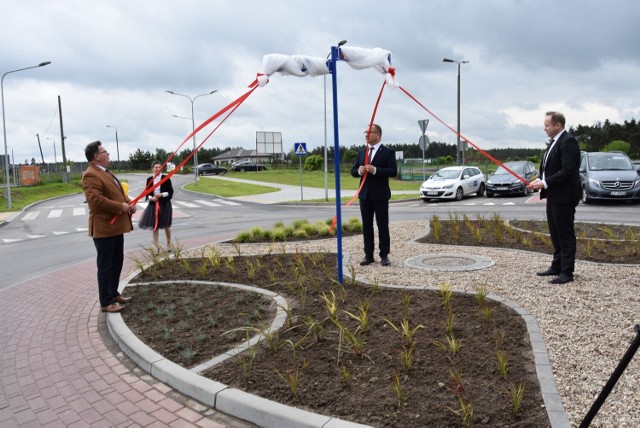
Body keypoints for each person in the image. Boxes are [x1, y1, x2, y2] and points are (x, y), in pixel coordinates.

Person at [82, 141, 136, 313]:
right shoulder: (90, 174)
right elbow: (96, 200)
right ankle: (106, 302)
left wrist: (128, 202)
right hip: (104, 229)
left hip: (115, 228)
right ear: (97, 156)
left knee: (116, 262)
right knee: (106, 266)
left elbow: (118, 192)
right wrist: (121, 207)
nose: (108, 154)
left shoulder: (104, 172)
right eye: (105, 152)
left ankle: (113, 293)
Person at [530, 111, 581, 284]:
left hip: (565, 196)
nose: (544, 129)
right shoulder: (554, 142)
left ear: (557, 125)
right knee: (555, 232)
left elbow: (567, 170)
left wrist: (545, 183)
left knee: (565, 234)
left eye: (547, 125)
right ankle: (557, 266)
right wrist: (540, 180)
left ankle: (567, 273)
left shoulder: (568, 142)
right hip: (554, 195)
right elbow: (550, 168)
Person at [351, 123, 398, 266]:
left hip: (380, 195)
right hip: (364, 195)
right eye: (365, 132)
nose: (366, 134)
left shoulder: (388, 152)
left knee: (382, 225)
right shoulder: (362, 152)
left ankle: (384, 255)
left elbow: (393, 171)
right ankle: (368, 255)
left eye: (370, 132)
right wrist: (359, 171)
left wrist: (376, 170)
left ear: (378, 135)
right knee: (367, 226)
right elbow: (353, 171)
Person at [138, 160, 174, 250]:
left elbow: (170, 192)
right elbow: (147, 193)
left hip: (165, 204)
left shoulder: (166, 178)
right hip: (153, 204)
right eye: (156, 167)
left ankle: (169, 244)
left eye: (159, 167)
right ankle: (155, 246)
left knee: (166, 225)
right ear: (152, 169)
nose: (158, 169)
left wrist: (161, 194)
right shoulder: (149, 179)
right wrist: (151, 198)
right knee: (154, 225)